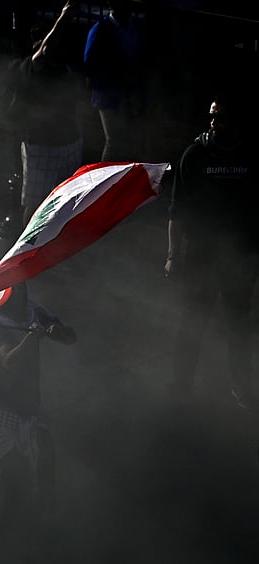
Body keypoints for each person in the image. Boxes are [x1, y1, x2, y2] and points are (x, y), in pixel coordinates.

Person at [165, 98, 259, 408]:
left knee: (238, 327)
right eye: (212, 117)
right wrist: (172, 255)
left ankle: (242, 386)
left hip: (240, 257)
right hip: (201, 255)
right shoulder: (195, 155)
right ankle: (181, 386)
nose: (214, 123)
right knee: (193, 322)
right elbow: (177, 211)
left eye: (221, 117)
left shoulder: (250, 153)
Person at [0, 286, 75, 564]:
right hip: (2, 418)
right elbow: (9, 360)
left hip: (32, 414)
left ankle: (32, 544)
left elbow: (71, 337)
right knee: (6, 490)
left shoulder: (35, 311)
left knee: (43, 484)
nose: (20, 296)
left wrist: (55, 330)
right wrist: (34, 335)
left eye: (22, 287)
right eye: (13, 291)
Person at [7, 3, 82, 224]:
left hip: (69, 142)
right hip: (42, 145)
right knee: (35, 203)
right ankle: (26, 248)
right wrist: (65, 16)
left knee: (66, 199)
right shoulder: (31, 67)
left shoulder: (63, 68)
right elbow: (47, 49)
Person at [83, 1, 142, 161]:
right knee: (114, 142)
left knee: (127, 140)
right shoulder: (101, 29)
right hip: (108, 94)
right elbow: (89, 64)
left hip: (127, 92)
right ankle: (106, 179)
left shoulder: (133, 27)